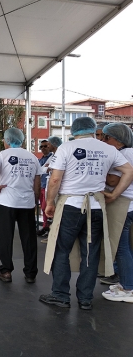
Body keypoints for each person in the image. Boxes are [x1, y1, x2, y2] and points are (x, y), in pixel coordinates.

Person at [40, 117, 133, 310]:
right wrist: (115, 195)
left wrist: (50, 203)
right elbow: (129, 171)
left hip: (71, 205)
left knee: (62, 250)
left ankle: (60, 295)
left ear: (75, 130)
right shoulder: (107, 149)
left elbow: (55, 180)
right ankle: (85, 298)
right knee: (90, 253)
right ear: (93, 130)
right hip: (97, 206)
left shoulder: (66, 147)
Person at [0, 128, 41, 283]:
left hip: (7, 203)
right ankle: (30, 274)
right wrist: (35, 201)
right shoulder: (33, 157)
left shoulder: (2, 155)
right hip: (27, 203)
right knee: (29, 239)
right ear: (21, 140)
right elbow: (37, 184)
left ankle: (6, 271)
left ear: (7, 140)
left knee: (5, 238)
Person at [100, 123, 133, 302]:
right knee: (128, 247)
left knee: (121, 248)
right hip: (131, 205)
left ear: (118, 139)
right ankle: (127, 282)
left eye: (106, 137)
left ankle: (128, 287)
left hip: (123, 205)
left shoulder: (122, 154)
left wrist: (98, 171)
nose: (103, 141)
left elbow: (112, 180)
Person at [39, 136, 62, 244]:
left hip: (55, 188)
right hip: (47, 186)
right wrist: (47, 168)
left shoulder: (60, 155)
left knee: (52, 211)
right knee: (46, 209)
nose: (46, 147)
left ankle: (53, 234)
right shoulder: (53, 156)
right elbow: (43, 169)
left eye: (48, 144)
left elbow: (53, 174)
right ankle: (49, 231)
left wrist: (48, 168)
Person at [37, 140, 52, 237]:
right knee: (43, 209)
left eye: (45, 146)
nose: (43, 148)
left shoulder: (53, 158)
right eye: (41, 147)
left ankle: (48, 227)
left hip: (49, 187)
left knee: (46, 207)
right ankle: (46, 226)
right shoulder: (40, 160)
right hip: (41, 186)